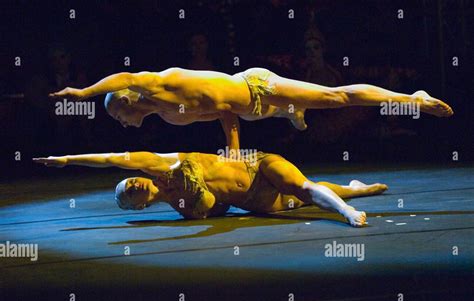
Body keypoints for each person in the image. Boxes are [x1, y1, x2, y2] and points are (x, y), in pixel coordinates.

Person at [49, 67, 453, 152]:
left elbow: (125, 76)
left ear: (125, 102)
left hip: (257, 85)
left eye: (117, 115)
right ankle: (290, 114)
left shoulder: (163, 83)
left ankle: (412, 98)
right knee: (274, 114)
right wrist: (235, 151)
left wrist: (83, 92)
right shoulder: (171, 117)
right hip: (250, 111)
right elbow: (223, 113)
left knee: (335, 98)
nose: (120, 123)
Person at [33, 151, 388, 227]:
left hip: (257, 164)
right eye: (129, 190)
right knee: (300, 196)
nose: (134, 182)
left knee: (303, 187)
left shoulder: (163, 163)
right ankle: (352, 190)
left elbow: (113, 159)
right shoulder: (185, 210)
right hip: (257, 201)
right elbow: (217, 209)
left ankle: (345, 211)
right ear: (138, 206)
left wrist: (66, 160)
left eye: (130, 179)